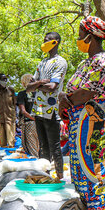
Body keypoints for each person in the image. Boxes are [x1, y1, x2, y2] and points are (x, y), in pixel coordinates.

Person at [58, 16, 105, 210]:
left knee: (96, 172)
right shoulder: (87, 62)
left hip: (97, 126)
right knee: (83, 175)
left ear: (91, 37)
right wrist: (67, 100)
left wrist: (66, 99)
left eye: (81, 32)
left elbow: (85, 94)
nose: (78, 37)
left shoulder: (102, 60)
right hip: (82, 126)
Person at [27, 32, 67, 176]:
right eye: (44, 39)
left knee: (54, 146)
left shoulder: (60, 62)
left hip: (51, 110)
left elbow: (52, 87)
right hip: (38, 109)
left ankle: (60, 175)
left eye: (48, 40)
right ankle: (44, 175)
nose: (44, 41)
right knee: (42, 146)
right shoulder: (42, 63)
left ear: (56, 42)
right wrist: (39, 83)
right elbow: (28, 87)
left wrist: (35, 85)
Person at [17, 74, 39, 157]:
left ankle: (36, 162)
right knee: (39, 144)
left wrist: (33, 119)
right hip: (40, 122)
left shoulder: (22, 94)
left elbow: (23, 111)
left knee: (31, 146)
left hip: (29, 123)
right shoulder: (39, 94)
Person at [0, 73, 16, 148]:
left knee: (11, 140)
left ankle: (11, 154)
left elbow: (14, 103)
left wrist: (13, 114)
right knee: (2, 141)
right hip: (0, 117)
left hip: (10, 117)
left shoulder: (11, 90)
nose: (5, 81)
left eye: (6, 79)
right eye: (3, 79)